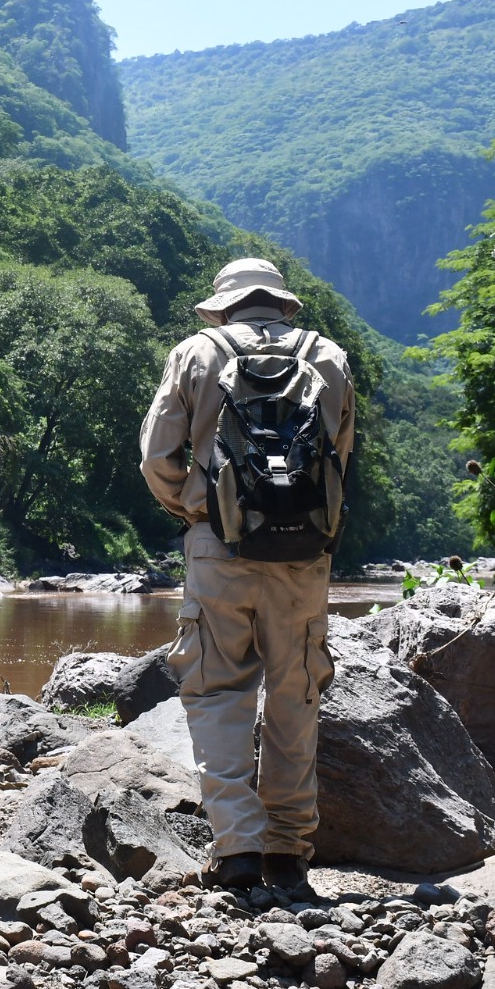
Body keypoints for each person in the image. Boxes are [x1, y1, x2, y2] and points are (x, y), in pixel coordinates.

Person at [138, 257, 355, 891]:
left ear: (224, 306)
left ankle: (237, 848)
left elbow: (157, 458)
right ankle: (288, 852)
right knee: (296, 693)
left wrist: (203, 513)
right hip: (304, 555)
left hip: (218, 551)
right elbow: (338, 457)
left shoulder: (194, 354)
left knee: (216, 691)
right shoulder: (331, 357)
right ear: (283, 304)